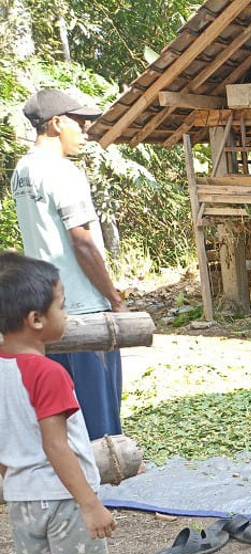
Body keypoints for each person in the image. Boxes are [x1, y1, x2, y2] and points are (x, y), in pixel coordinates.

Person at [0, 253, 130, 554]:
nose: (67, 313)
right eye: (62, 304)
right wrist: (90, 504)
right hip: (63, 498)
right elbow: (56, 446)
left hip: (22, 497)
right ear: (36, 319)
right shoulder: (49, 374)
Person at [12, 89, 127, 441]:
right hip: (85, 309)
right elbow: (82, 242)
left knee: (60, 417)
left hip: (46, 311)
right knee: (100, 421)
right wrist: (114, 299)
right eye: (80, 123)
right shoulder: (62, 172)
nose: (86, 131)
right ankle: (101, 492)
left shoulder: (22, 172)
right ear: (56, 123)